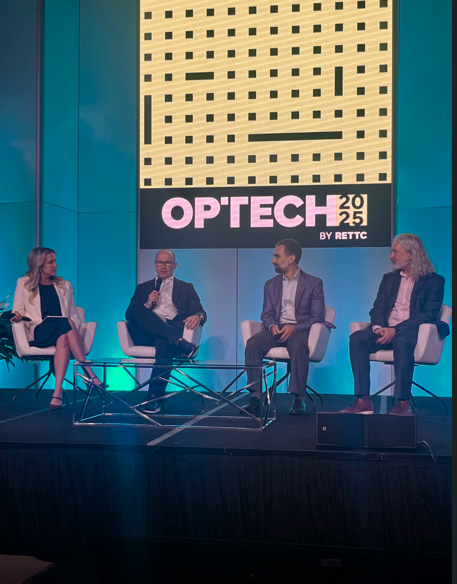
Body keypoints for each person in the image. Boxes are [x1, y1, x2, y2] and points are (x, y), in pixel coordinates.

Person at [341, 233, 449, 416]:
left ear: (411, 254)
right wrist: (378, 328)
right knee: (357, 339)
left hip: (411, 332)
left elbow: (428, 313)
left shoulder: (434, 281)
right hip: (385, 330)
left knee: (401, 339)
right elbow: (378, 308)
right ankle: (363, 400)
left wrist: (395, 329)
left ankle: (402, 402)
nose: (391, 256)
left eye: (395, 252)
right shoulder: (389, 279)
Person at [11, 247, 104, 411]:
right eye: (50, 262)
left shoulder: (64, 285)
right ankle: (88, 372)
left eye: (55, 261)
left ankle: (57, 394)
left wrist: (70, 324)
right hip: (39, 331)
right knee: (64, 323)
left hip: (62, 330)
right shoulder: (23, 283)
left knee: (64, 332)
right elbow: (17, 311)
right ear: (39, 265)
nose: (55, 265)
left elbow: (74, 315)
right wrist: (17, 316)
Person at [244, 239, 329, 416]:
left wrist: (295, 327)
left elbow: (317, 316)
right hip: (277, 328)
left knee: (297, 345)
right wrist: (272, 325)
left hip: (301, 329)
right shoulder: (270, 284)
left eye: (277, 256)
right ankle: (256, 397)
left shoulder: (314, 283)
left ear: (291, 258)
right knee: (253, 343)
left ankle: (298, 398)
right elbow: (266, 314)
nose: (272, 261)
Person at [125, 249, 207, 413]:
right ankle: (179, 342)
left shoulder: (186, 288)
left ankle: (154, 397)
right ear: (155, 264)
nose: (163, 266)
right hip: (146, 332)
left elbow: (201, 311)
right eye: (160, 262)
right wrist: (147, 304)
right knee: (135, 308)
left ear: (174, 265)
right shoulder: (143, 288)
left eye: (167, 263)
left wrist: (197, 316)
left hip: (170, 328)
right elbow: (131, 314)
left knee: (163, 342)